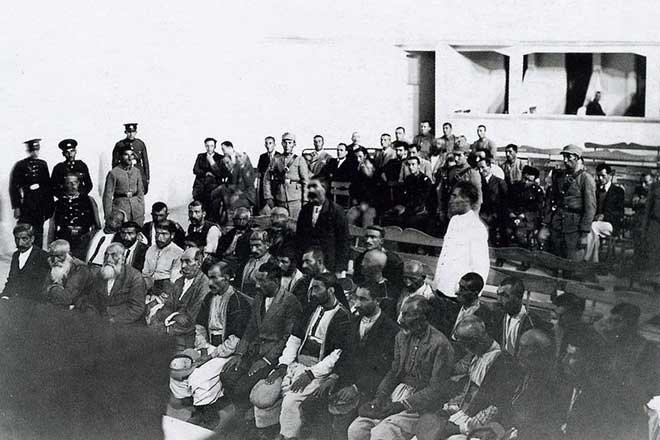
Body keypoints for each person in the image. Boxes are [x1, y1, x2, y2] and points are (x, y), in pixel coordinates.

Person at [257, 273, 352, 440]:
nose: (312, 293)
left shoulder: (342, 316)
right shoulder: (311, 308)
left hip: (318, 370)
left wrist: (311, 374)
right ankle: (267, 431)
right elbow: (295, 339)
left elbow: (336, 355)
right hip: (295, 364)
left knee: (290, 400)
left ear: (330, 290)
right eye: (311, 288)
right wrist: (283, 364)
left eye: (317, 288)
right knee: (266, 392)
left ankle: (288, 436)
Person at [347, 296, 454, 440]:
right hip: (395, 395)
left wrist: (403, 404)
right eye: (401, 313)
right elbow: (394, 371)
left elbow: (436, 388)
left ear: (423, 318)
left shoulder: (440, 344)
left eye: (407, 315)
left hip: (421, 405)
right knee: (357, 429)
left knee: (381, 434)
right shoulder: (401, 337)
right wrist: (380, 397)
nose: (400, 320)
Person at [169, 261, 253, 429]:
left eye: (215, 278)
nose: (210, 282)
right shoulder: (209, 297)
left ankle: (208, 415)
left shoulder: (238, 302)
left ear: (227, 278)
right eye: (209, 278)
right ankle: (197, 404)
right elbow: (199, 327)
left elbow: (235, 340)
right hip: (207, 346)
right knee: (176, 366)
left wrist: (210, 356)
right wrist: (202, 348)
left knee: (199, 377)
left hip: (227, 352)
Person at [415, 315, 521, 440]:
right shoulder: (476, 355)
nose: (465, 349)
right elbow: (467, 392)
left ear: (475, 341)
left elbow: (495, 408)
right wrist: (448, 410)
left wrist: (461, 428)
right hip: (462, 415)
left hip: (479, 427)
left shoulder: (503, 363)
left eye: (465, 345)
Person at [219, 262, 302, 419]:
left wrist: (266, 360)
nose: (257, 285)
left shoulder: (290, 302)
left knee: (241, 387)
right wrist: (239, 354)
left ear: (276, 281)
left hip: (271, 357)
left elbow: (287, 338)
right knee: (226, 375)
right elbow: (250, 328)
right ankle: (241, 410)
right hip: (252, 351)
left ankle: (244, 416)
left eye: (262, 281)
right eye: (257, 280)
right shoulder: (259, 297)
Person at [330, 283, 399, 440]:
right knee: (313, 402)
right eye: (356, 298)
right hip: (345, 382)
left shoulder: (391, 330)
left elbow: (384, 368)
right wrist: (334, 376)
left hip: (370, 388)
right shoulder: (354, 322)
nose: (356, 304)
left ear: (377, 301)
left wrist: (356, 387)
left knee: (344, 423)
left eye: (363, 299)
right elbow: (344, 355)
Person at [593, 303, 660, 439]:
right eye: (611, 321)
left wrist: (636, 396)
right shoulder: (609, 345)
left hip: (628, 414)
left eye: (618, 321)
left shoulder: (647, 349)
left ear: (631, 323)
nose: (612, 326)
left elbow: (655, 384)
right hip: (602, 410)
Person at [432, 181, 489, 298]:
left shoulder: (477, 228)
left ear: (467, 200)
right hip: (441, 288)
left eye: (454, 196)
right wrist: (436, 283)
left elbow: (481, 266)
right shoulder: (454, 221)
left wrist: (471, 297)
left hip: (458, 294)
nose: (450, 200)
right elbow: (445, 255)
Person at [504, 329, 563, 440]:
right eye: (519, 348)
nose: (518, 354)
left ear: (540, 354)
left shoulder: (550, 386)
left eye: (524, 349)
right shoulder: (524, 374)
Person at [148, 248, 210, 343]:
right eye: (182, 262)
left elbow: (190, 318)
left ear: (199, 264)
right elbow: (168, 306)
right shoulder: (179, 281)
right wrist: (156, 321)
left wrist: (164, 329)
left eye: (188, 262)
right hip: (169, 328)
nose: (183, 266)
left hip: (189, 335)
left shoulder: (204, 285)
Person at [545, 144, 596, 261]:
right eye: (564, 157)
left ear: (577, 158)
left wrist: (584, 234)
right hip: (558, 224)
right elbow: (553, 200)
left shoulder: (586, 179)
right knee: (556, 259)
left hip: (575, 227)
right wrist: (547, 224)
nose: (565, 160)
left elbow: (590, 208)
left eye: (568, 157)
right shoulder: (560, 177)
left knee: (573, 261)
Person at [76, 242, 146, 323]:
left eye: (114, 255)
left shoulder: (135, 277)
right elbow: (92, 300)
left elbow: (137, 308)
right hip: (100, 320)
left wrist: (113, 320)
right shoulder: (100, 274)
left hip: (123, 322)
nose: (108, 259)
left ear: (123, 259)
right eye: (106, 255)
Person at [296, 177, 350, 276]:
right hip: (306, 264)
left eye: (315, 187)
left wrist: (340, 269)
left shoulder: (337, 211)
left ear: (324, 189)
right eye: (309, 187)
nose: (311, 191)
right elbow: (299, 238)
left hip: (329, 264)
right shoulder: (305, 210)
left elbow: (344, 242)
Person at [9, 138, 54, 248]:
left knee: (39, 230)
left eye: (37, 150)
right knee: (25, 229)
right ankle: (24, 251)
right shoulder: (21, 165)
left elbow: (48, 186)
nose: (35, 153)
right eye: (33, 150)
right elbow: (14, 187)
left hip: (40, 204)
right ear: (29, 151)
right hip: (27, 203)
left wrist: (49, 206)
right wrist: (16, 206)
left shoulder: (43, 164)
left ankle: (37, 252)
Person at [49, 173, 100, 260]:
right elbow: (52, 226)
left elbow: (97, 225)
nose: (72, 186)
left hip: (83, 241)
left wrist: (91, 240)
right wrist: (51, 244)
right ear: (64, 185)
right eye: (69, 183)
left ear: (79, 183)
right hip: (64, 240)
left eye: (75, 182)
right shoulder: (58, 203)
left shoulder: (88, 200)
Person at [492, 277, 547, 357]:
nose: (499, 300)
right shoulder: (497, 316)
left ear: (519, 297)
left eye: (505, 296)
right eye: (498, 295)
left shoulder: (532, 322)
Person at [584, 163, 625, 262]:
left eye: (603, 176)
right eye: (598, 176)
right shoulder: (595, 189)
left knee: (593, 227)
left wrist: (604, 216)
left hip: (611, 224)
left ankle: (586, 260)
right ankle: (594, 262)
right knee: (593, 233)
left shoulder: (618, 191)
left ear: (610, 175)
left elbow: (620, 212)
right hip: (595, 223)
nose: (600, 178)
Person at [263, 132, 309, 220]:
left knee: (295, 224)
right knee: (280, 224)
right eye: (285, 142)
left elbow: (306, 181)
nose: (287, 145)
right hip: (280, 199)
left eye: (290, 143)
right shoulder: (276, 159)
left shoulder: (300, 160)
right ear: (282, 144)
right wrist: (268, 196)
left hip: (295, 200)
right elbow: (267, 179)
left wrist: (305, 200)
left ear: (294, 144)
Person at [1, 224, 50, 301]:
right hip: (14, 299)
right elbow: (11, 280)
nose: (20, 243)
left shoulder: (42, 256)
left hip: (33, 301)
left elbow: (42, 285)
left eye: (24, 239)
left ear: (32, 239)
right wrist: (4, 296)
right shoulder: (15, 255)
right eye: (17, 239)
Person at [211, 141, 257, 223]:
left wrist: (234, 193)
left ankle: (231, 221)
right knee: (217, 198)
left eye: (228, 163)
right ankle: (218, 221)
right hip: (236, 193)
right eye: (225, 164)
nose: (226, 165)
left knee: (227, 197)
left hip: (246, 196)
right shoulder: (233, 168)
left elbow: (244, 186)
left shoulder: (244, 167)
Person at [437, 142, 482, 225]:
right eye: (455, 155)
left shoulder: (472, 173)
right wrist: (441, 210)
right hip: (450, 212)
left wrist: (474, 215)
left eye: (459, 155)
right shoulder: (450, 171)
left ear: (466, 155)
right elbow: (441, 192)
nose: (456, 158)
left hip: (465, 213)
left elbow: (478, 197)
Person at [385, 157, 433, 231]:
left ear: (418, 166)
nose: (410, 167)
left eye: (413, 164)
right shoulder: (408, 179)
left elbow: (422, 199)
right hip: (408, 209)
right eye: (409, 165)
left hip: (419, 211)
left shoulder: (425, 180)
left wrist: (406, 209)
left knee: (408, 222)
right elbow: (404, 196)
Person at [353, 226, 404, 294]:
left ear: (381, 241)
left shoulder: (393, 261)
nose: (368, 240)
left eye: (373, 237)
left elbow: (395, 288)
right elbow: (357, 280)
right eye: (366, 237)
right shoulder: (360, 258)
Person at [506, 166, 544, 257]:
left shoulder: (537, 191)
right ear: (522, 176)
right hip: (513, 216)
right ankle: (504, 256)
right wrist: (510, 213)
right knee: (506, 232)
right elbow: (507, 203)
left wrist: (525, 215)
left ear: (534, 180)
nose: (526, 182)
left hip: (528, 220)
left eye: (530, 180)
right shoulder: (514, 187)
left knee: (522, 235)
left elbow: (538, 210)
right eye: (525, 179)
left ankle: (525, 259)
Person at [103, 143, 145, 225]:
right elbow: (107, 196)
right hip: (121, 209)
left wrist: (142, 210)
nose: (129, 157)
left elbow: (140, 192)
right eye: (126, 155)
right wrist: (108, 216)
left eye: (131, 155)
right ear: (120, 156)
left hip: (137, 210)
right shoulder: (113, 173)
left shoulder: (136, 171)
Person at [42, 239, 90, 308]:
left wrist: (50, 288)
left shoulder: (80, 268)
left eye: (59, 256)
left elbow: (67, 298)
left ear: (69, 254)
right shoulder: (54, 265)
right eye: (52, 256)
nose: (55, 260)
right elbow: (43, 293)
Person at [142, 220, 184, 293]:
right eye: (157, 233)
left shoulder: (178, 253)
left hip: (166, 292)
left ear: (172, 235)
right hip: (147, 289)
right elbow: (145, 274)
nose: (159, 238)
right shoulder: (151, 249)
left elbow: (174, 282)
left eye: (164, 234)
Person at [477, 156, 508, 247]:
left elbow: (505, 202)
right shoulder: (478, 182)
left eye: (483, 167)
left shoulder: (500, 182)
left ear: (490, 167)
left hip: (497, 216)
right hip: (482, 215)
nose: (480, 171)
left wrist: (495, 214)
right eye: (479, 168)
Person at [112, 122, 150, 194]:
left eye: (133, 132)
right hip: (124, 172)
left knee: (140, 192)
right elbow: (115, 162)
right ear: (125, 132)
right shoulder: (120, 145)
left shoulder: (140, 144)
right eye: (129, 132)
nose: (131, 134)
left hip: (139, 172)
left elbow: (145, 162)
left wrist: (147, 177)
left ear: (136, 132)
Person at [192, 137, 227, 211]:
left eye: (211, 146)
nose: (209, 148)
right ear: (205, 146)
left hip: (214, 186)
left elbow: (222, 174)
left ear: (215, 146)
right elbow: (195, 170)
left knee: (213, 207)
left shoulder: (220, 158)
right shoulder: (200, 156)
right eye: (207, 146)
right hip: (200, 186)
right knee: (199, 206)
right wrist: (206, 173)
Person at [347, 147, 378, 227]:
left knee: (366, 218)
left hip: (372, 207)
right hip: (359, 205)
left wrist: (367, 204)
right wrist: (356, 201)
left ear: (373, 168)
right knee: (350, 215)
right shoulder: (359, 176)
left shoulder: (377, 179)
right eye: (364, 167)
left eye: (368, 167)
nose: (358, 160)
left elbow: (378, 196)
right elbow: (353, 189)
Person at [239, 230, 273, 297]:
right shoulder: (247, 261)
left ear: (267, 245)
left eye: (257, 246)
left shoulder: (272, 263)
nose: (253, 250)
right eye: (251, 246)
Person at [641, 176, 660, 271]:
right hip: (655, 223)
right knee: (653, 251)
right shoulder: (655, 187)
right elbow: (647, 210)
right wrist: (644, 229)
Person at [258, 136, 280, 213]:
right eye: (266, 143)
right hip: (265, 187)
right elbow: (260, 172)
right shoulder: (262, 157)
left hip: (276, 188)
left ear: (274, 145)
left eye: (270, 143)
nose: (268, 146)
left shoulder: (280, 156)